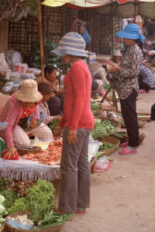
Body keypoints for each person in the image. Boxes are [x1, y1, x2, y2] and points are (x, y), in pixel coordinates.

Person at [53, 32, 95, 214]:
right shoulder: (82, 65)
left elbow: (80, 98)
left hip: (79, 123)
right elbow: (76, 99)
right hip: (83, 121)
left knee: (69, 166)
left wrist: (73, 126)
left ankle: (66, 207)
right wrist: (63, 122)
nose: (61, 56)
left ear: (69, 52)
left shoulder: (77, 68)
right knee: (82, 164)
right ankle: (80, 204)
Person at [108, 23, 144, 155]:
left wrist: (118, 68)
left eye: (126, 37)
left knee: (130, 116)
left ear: (132, 38)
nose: (124, 39)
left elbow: (134, 72)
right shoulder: (130, 49)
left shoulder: (135, 50)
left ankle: (134, 144)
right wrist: (117, 67)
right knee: (126, 115)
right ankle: (131, 139)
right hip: (124, 89)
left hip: (129, 88)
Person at [0, 80, 51, 152]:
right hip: (14, 125)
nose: (28, 103)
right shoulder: (13, 104)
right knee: (24, 144)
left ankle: (30, 141)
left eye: (31, 100)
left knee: (47, 134)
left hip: (26, 122)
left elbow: (37, 105)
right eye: (26, 101)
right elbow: (8, 126)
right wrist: (10, 146)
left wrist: (36, 117)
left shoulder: (37, 99)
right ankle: (20, 142)